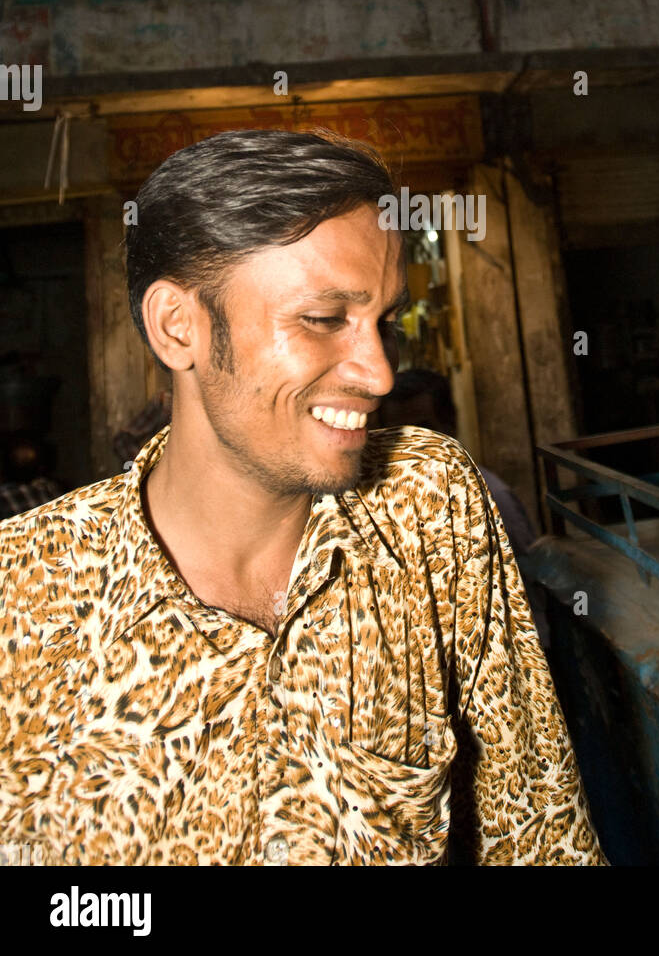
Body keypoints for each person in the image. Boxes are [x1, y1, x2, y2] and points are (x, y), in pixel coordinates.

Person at [0, 128, 605, 867]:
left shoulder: (427, 506)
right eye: (322, 320)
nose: (380, 375)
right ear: (177, 326)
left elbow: (537, 827)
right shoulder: (24, 595)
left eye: (380, 320)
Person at [376, 368, 553, 649]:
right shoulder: (388, 508)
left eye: (424, 429)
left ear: (450, 426)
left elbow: (530, 601)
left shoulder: (491, 500)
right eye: (398, 435)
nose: (412, 446)